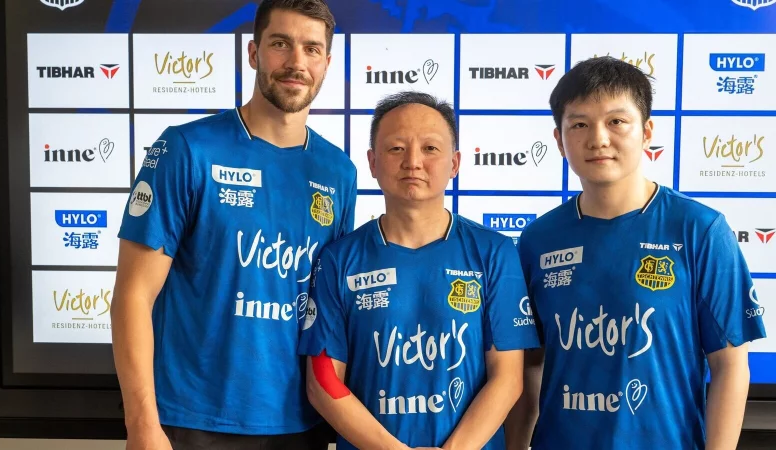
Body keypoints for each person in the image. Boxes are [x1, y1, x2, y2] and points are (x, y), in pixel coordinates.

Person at [110, 1, 356, 449]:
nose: (296, 62)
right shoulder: (186, 149)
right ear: (254, 53)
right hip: (193, 421)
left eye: (311, 49)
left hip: (303, 424)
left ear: (327, 63)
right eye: (280, 44)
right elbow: (132, 294)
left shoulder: (339, 172)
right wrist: (141, 422)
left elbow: (331, 316)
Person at [504, 56, 767, 450]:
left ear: (646, 133)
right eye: (579, 124)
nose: (598, 138)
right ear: (559, 140)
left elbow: (729, 366)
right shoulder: (538, 240)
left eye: (616, 121)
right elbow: (529, 366)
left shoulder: (699, 230)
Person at [298, 91, 540, 450]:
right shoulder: (338, 260)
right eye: (396, 148)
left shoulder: (494, 252)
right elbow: (322, 381)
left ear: (454, 163)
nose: (413, 161)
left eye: (430, 148)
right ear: (373, 162)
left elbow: (507, 379)